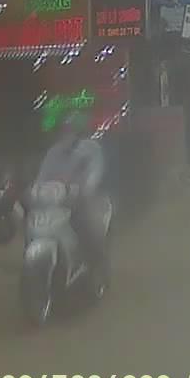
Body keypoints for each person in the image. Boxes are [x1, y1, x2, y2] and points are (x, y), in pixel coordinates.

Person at [34, 111, 108, 273]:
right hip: (55, 202)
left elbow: (95, 172)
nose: (66, 133)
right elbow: (41, 177)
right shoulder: (53, 152)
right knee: (33, 225)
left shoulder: (91, 149)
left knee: (89, 228)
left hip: (82, 201)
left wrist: (85, 189)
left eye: (70, 129)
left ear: (78, 132)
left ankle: (97, 269)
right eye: (64, 130)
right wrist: (35, 190)